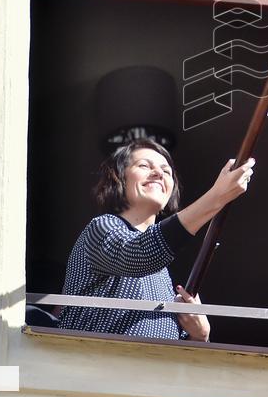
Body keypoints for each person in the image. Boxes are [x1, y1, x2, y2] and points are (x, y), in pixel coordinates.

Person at [58, 138, 254, 341]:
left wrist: (199, 335)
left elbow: (178, 359)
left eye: (166, 171)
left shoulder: (161, 273)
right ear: (118, 177)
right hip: (94, 366)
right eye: (144, 165)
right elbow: (139, 254)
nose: (159, 173)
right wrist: (217, 196)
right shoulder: (101, 227)